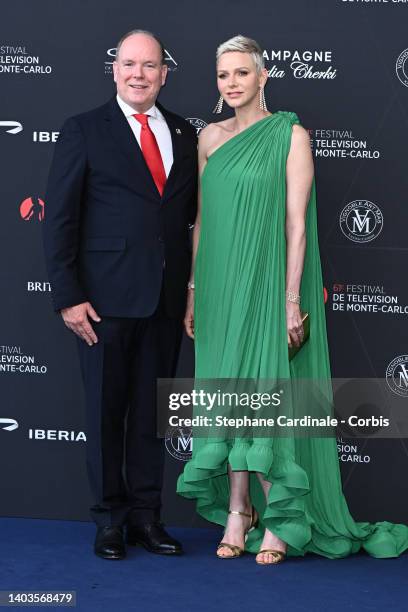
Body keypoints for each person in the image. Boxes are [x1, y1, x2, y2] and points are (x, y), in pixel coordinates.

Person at [177, 35, 408, 564]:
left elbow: (297, 226)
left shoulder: (291, 136)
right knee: (226, 393)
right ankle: (239, 510)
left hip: (267, 285)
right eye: (222, 75)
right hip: (216, 287)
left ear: (263, 76)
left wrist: (289, 300)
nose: (231, 83)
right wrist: (192, 290)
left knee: (267, 396)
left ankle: (279, 516)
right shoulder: (209, 137)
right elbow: (202, 224)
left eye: (241, 73)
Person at [43, 29, 197, 560]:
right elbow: (59, 219)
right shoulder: (84, 130)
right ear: (114, 70)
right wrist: (67, 294)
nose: (139, 74)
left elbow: (187, 220)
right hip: (102, 304)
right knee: (106, 414)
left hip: (165, 300)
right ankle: (110, 521)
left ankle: (147, 519)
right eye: (130, 64)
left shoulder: (183, 131)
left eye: (150, 65)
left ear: (164, 73)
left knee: (153, 415)